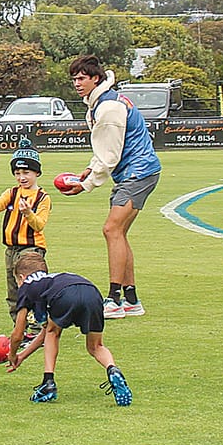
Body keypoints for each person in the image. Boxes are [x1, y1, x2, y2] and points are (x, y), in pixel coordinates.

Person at [59, 55, 161, 319]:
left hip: (138, 173)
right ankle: (131, 300)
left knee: (111, 229)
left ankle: (114, 300)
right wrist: (90, 169)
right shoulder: (101, 103)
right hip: (136, 172)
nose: (77, 83)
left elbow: (110, 155)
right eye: (74, 79)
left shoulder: (108, 108)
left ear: (96, 78)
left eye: (82, 78)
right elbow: (104, 150)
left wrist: (86, 184)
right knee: (119, 233)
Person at [0, 249, 131, 405]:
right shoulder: (50, 281)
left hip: (64, 294)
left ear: (21, 277)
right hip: (92, 292)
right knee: (95, 346)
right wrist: (22, 356)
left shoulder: (27, 286)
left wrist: (12, 354)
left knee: (53, 333)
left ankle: (48, 382)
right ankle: (112, 369)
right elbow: (43, 333)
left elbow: (18, 334)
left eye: (17, 282)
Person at [0, 147, 51, 318]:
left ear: (37, 173)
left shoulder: (42, 198)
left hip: (31, 249)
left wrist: (28, 213)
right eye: (17, 173)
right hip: (11, 250)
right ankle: (19, 326)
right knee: (13, 291)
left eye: (26, 172)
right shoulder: (13, 192)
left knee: (32, 289)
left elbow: (39, 225)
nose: (21, 177)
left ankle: (37, 325)